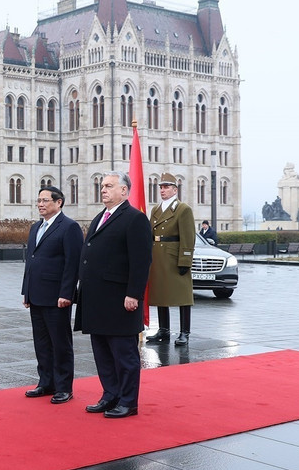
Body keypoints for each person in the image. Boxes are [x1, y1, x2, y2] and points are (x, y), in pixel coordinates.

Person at [75, 172, 152, 418]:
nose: (103, 189)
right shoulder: (101, 216)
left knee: (123, 354)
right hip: (97, 299)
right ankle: (110, 395)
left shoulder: (134, 219)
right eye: (102, 185)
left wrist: (134, 294)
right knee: (102, 352)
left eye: (109, 186)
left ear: (124, 191)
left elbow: (141, 262)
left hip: (120, 300)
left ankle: (128, 402)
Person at [22, 186, 83, 404]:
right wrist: (26, 291)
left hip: (57, 296)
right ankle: (46, 382)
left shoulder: (69, 227)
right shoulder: (35, 227)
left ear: (59, 203)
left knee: (60, 343)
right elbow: (31, 260)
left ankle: (64, 387)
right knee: (42, 342)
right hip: (36, 295)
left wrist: (67, 293)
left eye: (45, 200)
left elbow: (72, 263)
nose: (40, 204)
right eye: (38, 200)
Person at [145, 173, 196, 346]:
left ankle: (184, 332)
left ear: (175, 190)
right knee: (161, 294)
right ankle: (164, 330)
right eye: (161, 187)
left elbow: (188, 238)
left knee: (182, 296)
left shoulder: (183, 209)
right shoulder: (156, 209)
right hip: (158, 256)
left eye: (166, 187)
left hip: (174, 256)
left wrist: (185, 261)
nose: (162, 190)